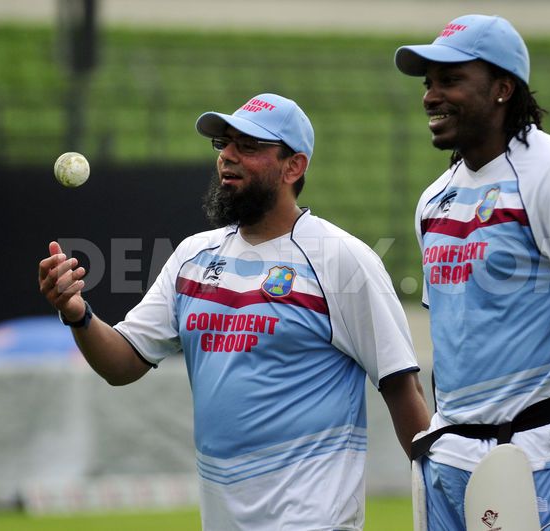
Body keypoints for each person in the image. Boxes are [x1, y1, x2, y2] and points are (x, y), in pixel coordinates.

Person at [38, 93, 430, 530]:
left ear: (293, 167)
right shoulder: (193, 256)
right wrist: (77, 313)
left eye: (247, 146)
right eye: (223, 144)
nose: (227, 156)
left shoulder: (342, 259)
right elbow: (123, 362)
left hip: (311, 519)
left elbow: (402, 389)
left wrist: (439, 497)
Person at [394, 15, 550, 529]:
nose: (431, 96)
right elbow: (459, 339)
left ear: (503, 88)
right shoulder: (432, 201)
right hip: (452, 460)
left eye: (451, 80)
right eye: (428, 83)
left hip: (538, 456)